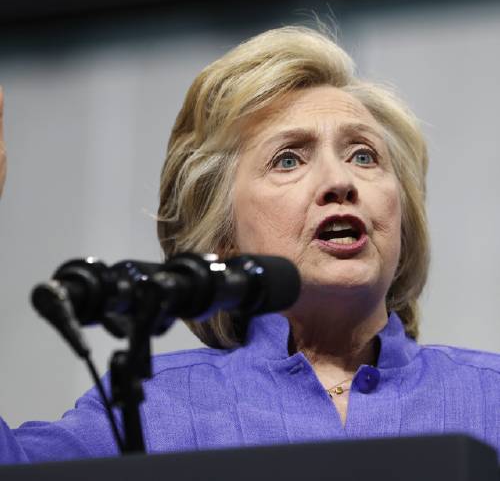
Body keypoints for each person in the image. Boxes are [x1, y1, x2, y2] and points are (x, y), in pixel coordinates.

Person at [1, 26, 500, 464]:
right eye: (288, 160)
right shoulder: (151, 409)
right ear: (223, 238)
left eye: (364, 155)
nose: (339, 181)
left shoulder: (487, 398)